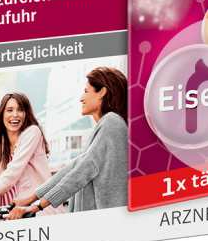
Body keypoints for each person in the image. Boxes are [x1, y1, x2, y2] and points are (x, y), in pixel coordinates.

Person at [8, 67, 128, 218]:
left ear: (102, 92)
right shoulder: (105, 127)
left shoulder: (112, 123)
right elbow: (73, 167)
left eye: (86, 91)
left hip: (105, 222)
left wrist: (37, 207)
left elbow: (83, 169)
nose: (81, 98)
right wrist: (31, 198)